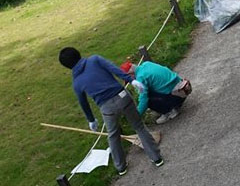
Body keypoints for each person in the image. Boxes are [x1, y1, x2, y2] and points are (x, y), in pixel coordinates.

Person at [58, 47, 163, 176]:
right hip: (122, 97)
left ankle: (121, 167)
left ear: (67, 66)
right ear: (78, 53)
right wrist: (132, 80)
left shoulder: (77, 83)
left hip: (107, 108)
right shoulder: (95, 59)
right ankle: (156, 158)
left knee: (113, 136)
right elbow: (115, 70)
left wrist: (91, 120)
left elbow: (83, 103)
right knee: (139, 127)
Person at [120, 61, 191, 125]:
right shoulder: (146, 64)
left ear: (130, 74)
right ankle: (170, 105)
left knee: (147, 99)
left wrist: (136, 116)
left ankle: (170, 111)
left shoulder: (140, 78)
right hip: (182, 88)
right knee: (148, 90)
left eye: (129, 79)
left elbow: (143, 100)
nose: (130, 81)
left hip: (176, 96)